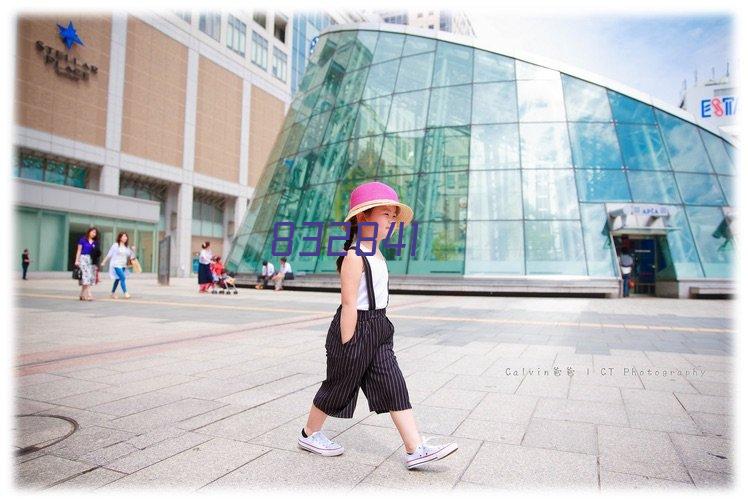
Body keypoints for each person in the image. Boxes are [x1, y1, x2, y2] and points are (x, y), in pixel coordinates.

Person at [298, 181, 458, 470]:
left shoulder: (378, 254)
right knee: (338, 386)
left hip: (379, 327)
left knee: (394, 384)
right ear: (363, 217)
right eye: (385, 214)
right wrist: (348, 345)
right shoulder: (354, 256)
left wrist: (380, 329)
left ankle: (415, 449)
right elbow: (348, 304)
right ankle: (309, 434)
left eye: (393, 217)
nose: (391, 222)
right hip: (355, 329)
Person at [100, 232, 135, 299]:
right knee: (123, 277)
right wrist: (104, 262)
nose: (125, 238)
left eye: (126, 236)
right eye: (123, 236)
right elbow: (109, 254)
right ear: (120, 237)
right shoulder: (115, 245)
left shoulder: (126, 247)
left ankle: (112, 293)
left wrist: (133, 250)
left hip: (123, 265)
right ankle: (126, 293)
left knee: (117, 279)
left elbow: (131, 256)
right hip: (116, 264)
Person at [74, 227, 99, 301]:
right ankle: (89, 294)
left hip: (90, 260)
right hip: (83, 258)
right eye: (92, 232)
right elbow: (79, 251)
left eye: (95, 233)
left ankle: (81, 295)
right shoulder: (83, 240)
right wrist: (77, 260)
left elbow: (96, 253)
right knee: (86, 275)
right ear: (89, 232)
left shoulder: (95, 242)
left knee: (87, 276)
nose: (94, 234)